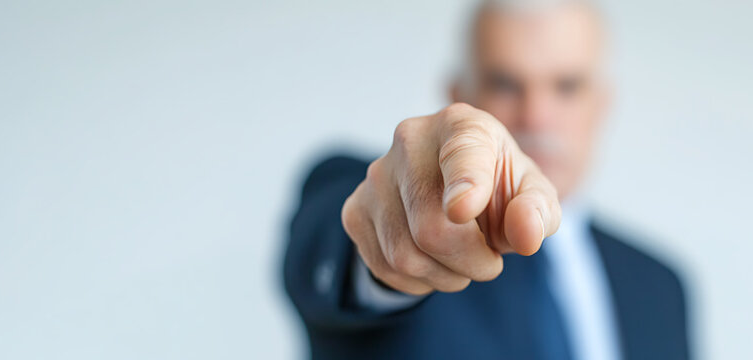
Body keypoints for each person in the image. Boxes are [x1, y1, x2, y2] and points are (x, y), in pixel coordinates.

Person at [283, 0, 691, 358]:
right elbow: (349, 238)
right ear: (459, 96)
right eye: (505, 84)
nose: (536, 116)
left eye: (566, 87)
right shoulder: (405, 211)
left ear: (601, 105)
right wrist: (390, 239)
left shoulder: (660, 288)